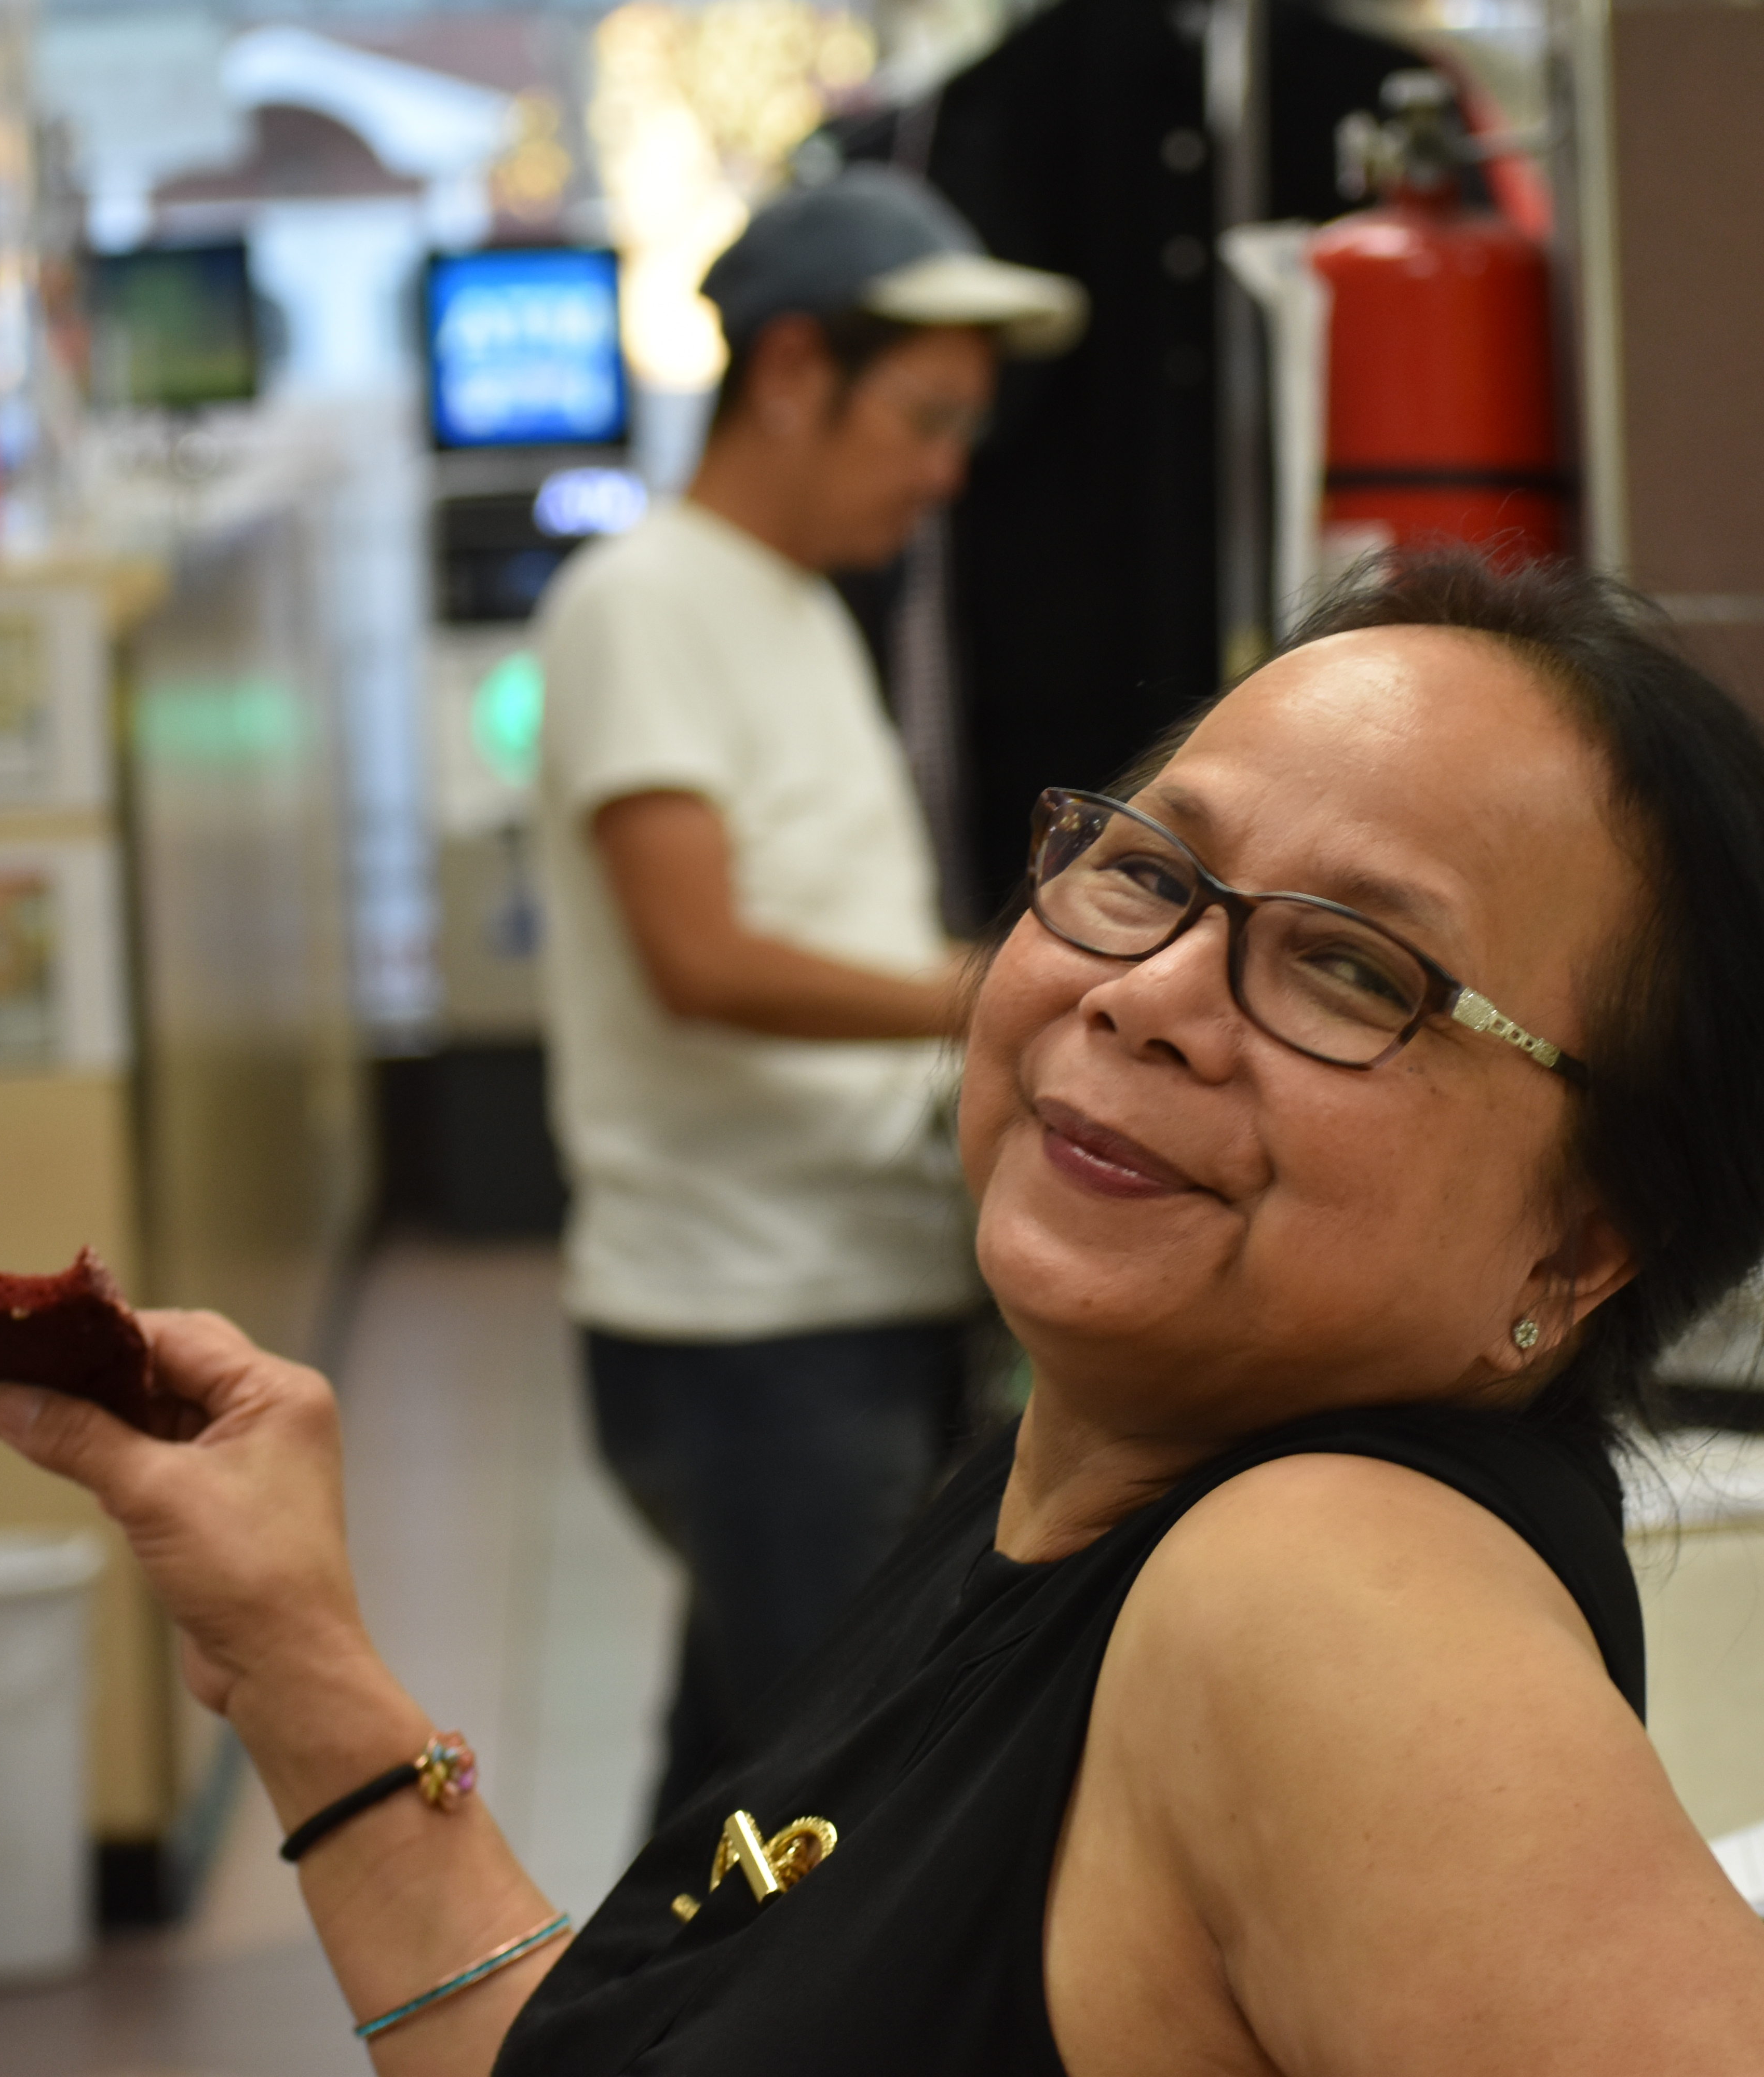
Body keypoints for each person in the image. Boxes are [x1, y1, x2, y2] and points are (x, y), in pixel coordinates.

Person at [0, 548, 1764, 2074]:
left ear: (1581, 1247)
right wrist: (300, 1662)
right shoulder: (1063, 1493)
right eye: (1146, 869)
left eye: (1356, 969)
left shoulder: (1322, 1596)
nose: (1149, 997)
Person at [526, 168, 1085, 1813]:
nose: (941, 471)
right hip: (747, 1325)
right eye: (918, 417)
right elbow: (695, 955)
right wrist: (996, 993)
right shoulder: (643, 602)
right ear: (786, 376)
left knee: (737, 1786)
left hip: (841, 1286)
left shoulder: (796, 607)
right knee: (830, 1813)